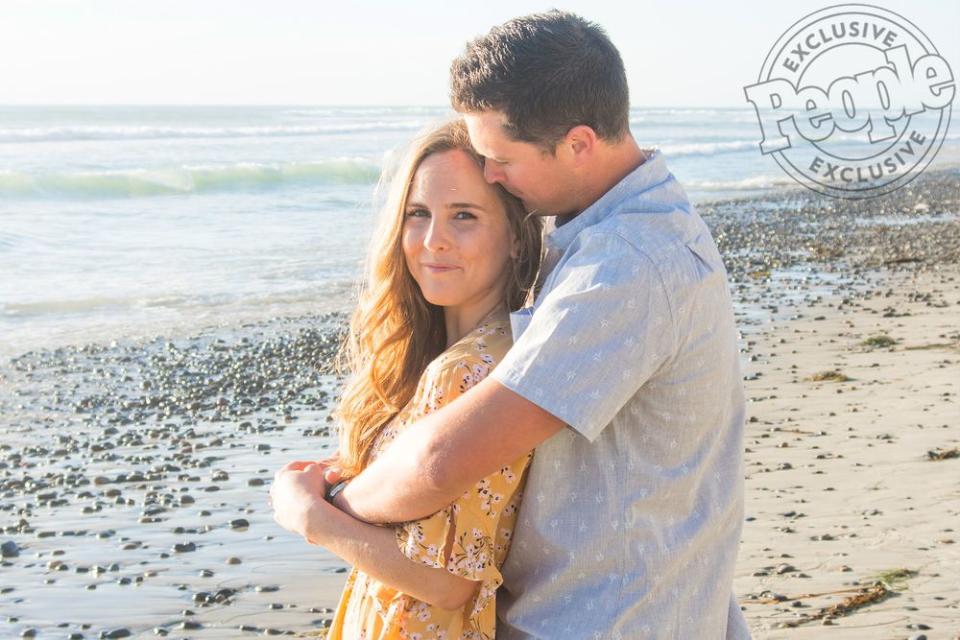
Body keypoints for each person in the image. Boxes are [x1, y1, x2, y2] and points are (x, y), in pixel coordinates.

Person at [274, 10, 751, 639]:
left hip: (605, 619)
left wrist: (323, 512)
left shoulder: (627, 264)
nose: (492, 174)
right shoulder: (604, 231)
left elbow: (445, 459)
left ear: (579, 143)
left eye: (501, 159)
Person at [270, 119, 543, 639]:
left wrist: (308, 516)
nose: (433, 240)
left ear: (514, 237)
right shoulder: (471, 354)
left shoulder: (468, 371)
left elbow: (449, 582)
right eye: (418, 214)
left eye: (464, 216)